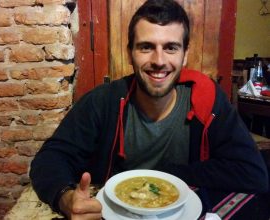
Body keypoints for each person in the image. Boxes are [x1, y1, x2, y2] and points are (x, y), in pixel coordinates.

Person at [30, 0, 269, 219]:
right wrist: (65, 197)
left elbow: (253, 174)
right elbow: (50, 159)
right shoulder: (102, 101)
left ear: (185, 55)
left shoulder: (207, 99)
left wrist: (171, 174)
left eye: (171, 48)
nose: (159, 60)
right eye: (146, 47)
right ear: (130, 53)